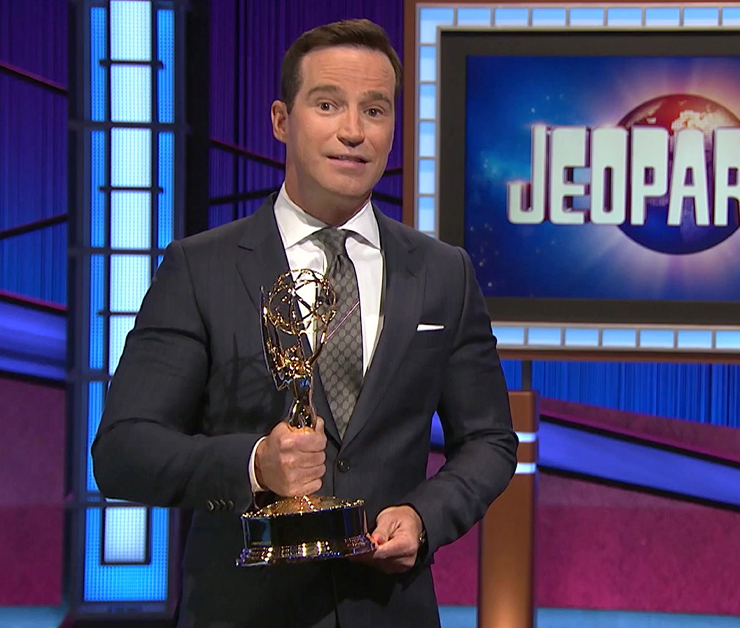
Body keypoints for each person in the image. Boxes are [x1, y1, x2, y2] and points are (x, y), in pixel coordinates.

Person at [91, 18, 517, 628]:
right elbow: (123, 450)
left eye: (375, 110)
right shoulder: (201, 268)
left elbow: (489, 440)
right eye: (327, 104)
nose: (353, 131)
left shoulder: (443, 273)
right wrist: (255, 464)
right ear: (280, 121)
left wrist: (425, 517)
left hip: (388, 610)